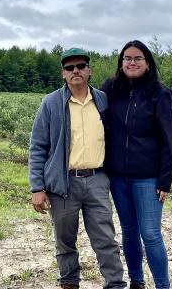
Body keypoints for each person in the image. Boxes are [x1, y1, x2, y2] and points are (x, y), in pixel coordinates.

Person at [29, 47, 126, 289]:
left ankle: (114, 284)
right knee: (65, 241)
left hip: (97, 180)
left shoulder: (102, 100)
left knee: (105, 239)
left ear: (89, 71)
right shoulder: (51, 103)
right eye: (70, 68)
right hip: (63, 183)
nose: (76, 71)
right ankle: (69, 283)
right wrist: (37, 188)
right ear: (63, 74)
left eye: (81, 66)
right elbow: (38, 147)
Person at [101, 40, 172, 289]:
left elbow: (168, 139)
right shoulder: (111, 90)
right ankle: (136, 281)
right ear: (121, 64)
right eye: (127, 58)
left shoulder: (160, 93)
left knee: (151, 235)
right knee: (129, 232)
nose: (132, 62)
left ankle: (163, 286)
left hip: (148, 178)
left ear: (147, 63)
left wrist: (165, 179)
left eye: (137, 58)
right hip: (118, 178)